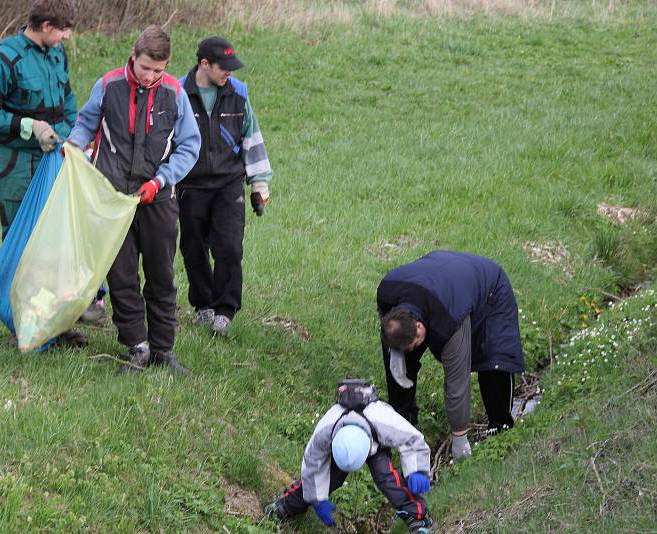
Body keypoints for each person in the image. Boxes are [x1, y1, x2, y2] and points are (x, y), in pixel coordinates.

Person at [66, 25, 201, 374]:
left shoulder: (175, 93)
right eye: (145, 68)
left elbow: (189, 146)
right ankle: (136, 348)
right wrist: (74, 147)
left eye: (159, 69)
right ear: (133, 55)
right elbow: (85, 123)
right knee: (121, 277)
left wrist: (161, 180)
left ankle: (163, 350)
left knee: (161, 276)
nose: (150, 76)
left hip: (157, 199)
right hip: (111, 200)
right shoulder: (108, 84)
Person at [0, 0, 87, 347]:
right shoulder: (5, 59)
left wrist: (64, 133)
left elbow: (69, 106)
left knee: (54, 247)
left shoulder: (56, 55)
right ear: (46, 25)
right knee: (22, 246)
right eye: (63, 29)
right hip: (18, 169)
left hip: (55, 163)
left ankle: (56, 325)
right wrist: (29, 127)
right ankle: (23, 327)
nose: (66, 36)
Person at [377, 250, 525, 461]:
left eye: (415, 342)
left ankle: (500, 434)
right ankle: (407, 432)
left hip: (489, 289)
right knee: (401, 360)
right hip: (439, 279)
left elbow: (457, 381)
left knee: (493, 362)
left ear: (419, 325)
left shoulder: (449, 317)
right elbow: (394, 341)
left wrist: (459, 437)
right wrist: (397, 356)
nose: (414, 348)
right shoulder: (387, 292)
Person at [177, 36, 273, 336]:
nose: (228, 73)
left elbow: (251, 136)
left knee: (229, 247)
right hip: (189, 185)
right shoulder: (178, 93)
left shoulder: (238, 93)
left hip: (228, 183)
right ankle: (203, 305)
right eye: (223, 67)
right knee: (193, 248)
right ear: (204, 64)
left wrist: (259, 182)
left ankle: (224, 310)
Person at [264, 380, 434, 533]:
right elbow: (312, 465)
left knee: (386, 477)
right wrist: (317, 499)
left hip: (376, 444)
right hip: (341, 448)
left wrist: (417, 471)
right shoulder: (326, 430)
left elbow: (413, 439)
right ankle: (285, 506)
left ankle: (418, 519)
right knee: (330, 478)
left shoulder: (383, 419)